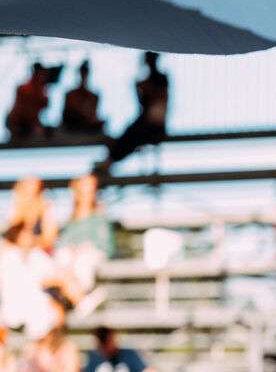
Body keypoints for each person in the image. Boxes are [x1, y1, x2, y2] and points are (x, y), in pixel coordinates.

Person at [95, 51, 169, 172]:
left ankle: (110, 160)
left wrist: (144, 89)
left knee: (130, 137)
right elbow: (142, 105)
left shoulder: (160, 79)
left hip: (153, 124)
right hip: (147, 122)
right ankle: (110, 159)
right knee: (128, 137)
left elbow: (159, 103)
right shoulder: (147, 82)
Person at [55, 174, 114, 307]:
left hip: (88, 255)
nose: (87, 194)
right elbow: (60, 243)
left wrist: (84, 247)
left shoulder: (100, 216)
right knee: (63, 258)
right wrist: (72, 249)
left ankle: (76, 297)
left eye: (91, 189)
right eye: (84, 189)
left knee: (82, 260)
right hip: (69, 260)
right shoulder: (69, 218)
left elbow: (106, 245)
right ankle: (80, 300)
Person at [6, 63, 61, 141]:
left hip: (27, 124)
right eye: (43, 74)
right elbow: (28, 112)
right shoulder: (25, 89)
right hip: (19, 123)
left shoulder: (41, 90)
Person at [8, 176, 59, 252]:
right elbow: (9, 239)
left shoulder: (46, 210)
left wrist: (32, 242)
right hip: (18, 252)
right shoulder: (15, 212)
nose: (29, 193)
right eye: (26, 188)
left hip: (39, 252)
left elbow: (50, 239)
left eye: (34, 188)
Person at [60, 60, 105, 136]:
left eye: (85, 73)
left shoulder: (93, 96)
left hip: (86, 127)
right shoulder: (70, 95)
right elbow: (66, 115)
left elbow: (94, 115)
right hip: (73, 126)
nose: (83, 76)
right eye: (82, 73)